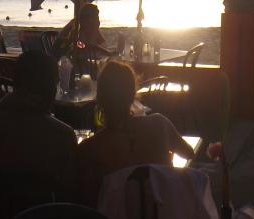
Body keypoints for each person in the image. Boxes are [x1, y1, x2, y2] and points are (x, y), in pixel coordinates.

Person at [75, 60, 195, 205]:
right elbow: (189, 153)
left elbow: (86, 198)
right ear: (133, 95)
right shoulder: (159, 124)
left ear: (99, 98)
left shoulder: (89, 149)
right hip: (162, 216)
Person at [0, 49, 77, 194]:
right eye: (56, 83)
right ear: (49, 87)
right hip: (42, 208)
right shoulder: (62, 135)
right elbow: (69, 190)